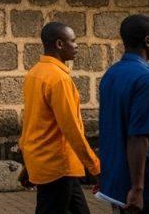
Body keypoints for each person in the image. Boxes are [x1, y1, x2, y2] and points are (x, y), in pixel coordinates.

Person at [18, 21, 100, 214]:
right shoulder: (59, 79)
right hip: (58, 166)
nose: (77, 45)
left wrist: (29, 164)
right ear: (59, 44)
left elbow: (32, 124)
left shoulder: (34, 73)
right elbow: (72, 130)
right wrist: (96, 168)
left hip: (53, 164)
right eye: (73, 41)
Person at [99, 14, 149, 214]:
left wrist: (109, 179)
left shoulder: (111, 75)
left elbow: (111, 131)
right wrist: (137, 189)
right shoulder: (147, 79)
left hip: (119, 183)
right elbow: (139, 137)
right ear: (148, 40)